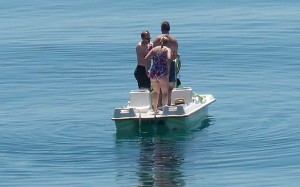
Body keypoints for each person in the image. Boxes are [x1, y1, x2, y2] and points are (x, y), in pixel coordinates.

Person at [153, 21, 180, 105]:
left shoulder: (156, 39)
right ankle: (167, 105)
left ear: (161, 29)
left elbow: (153, 53)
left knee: (158, 88)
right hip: (170, 65)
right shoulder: (174, 41)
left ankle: (158, 106)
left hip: (158, 66)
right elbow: (175, 55)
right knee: (170, 87)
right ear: (169, 29)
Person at [144, 37, 172, 113]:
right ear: (167, 43)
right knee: (165, 92)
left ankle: (155, 110)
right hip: (162, 73)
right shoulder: (167, 49)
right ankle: (164, 110)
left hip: (153, 72)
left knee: (156, 92)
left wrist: (147, 70)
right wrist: (168, 71)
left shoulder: (154, 49)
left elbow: (146, 58)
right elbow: (169, 59)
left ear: (160, 42)